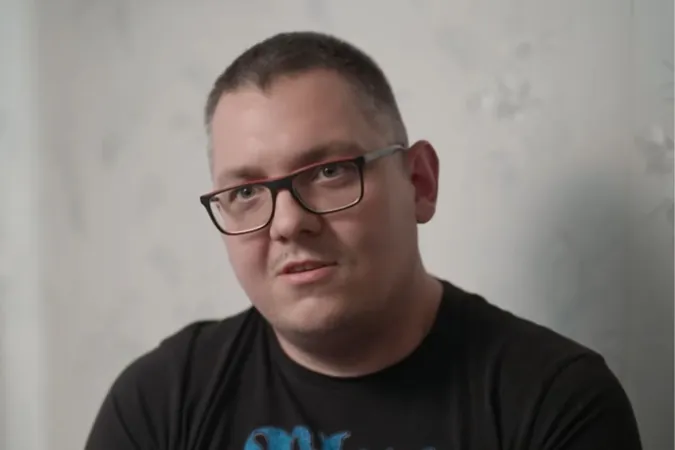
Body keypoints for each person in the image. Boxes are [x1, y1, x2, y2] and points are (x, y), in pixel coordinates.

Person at [85, 31, 642, 450]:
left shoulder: (554, 401)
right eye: (246, 191)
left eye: (329, 172)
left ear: (419, 183)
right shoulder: (162, 400)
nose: (287, 223)